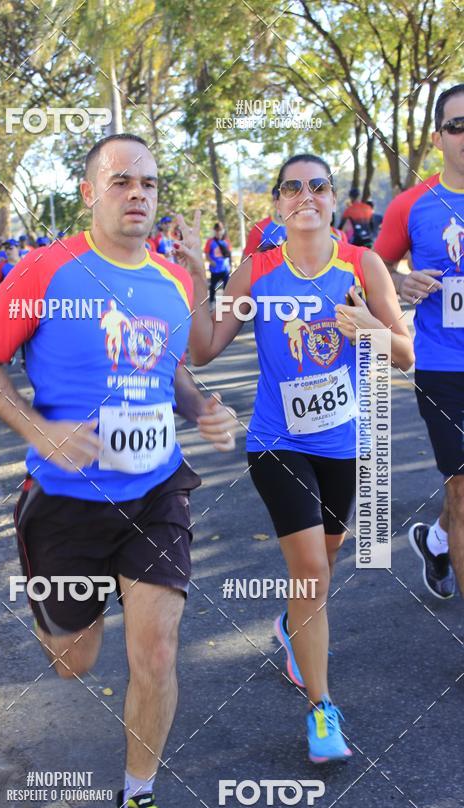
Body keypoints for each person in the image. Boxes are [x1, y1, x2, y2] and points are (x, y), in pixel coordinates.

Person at [0, 133, 237, 808]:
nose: (138, 194)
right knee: (73, 661)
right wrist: (38, 430)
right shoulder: (46, 270)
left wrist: (202, 409)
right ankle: (62, 617)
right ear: (89, 193)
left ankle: (138, 798)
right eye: (120, 181)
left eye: (149, 182)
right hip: (64, 503)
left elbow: (170, 375)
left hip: (156, 491)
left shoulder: (167, 281)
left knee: (156, 649)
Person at [178, 153, 413, 763]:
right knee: (310, 567)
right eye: (291, 188)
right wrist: (200, 277)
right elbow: (203, 349)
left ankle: (290, 626)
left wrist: (371, 329)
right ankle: (322, 710)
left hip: (343, 443)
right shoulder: (256, 271)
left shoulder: (363, 266)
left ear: (333, 199)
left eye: (317, 186)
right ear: (277, 205)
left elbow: (406, 355)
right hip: (277, 441)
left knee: (324, 561)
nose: (305, 195)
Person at [375, 83, 464, 600]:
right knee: (463, 486)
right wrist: (399, 281)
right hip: (444, 368)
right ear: (438, 138)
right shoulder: (413, 205)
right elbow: (374, 265)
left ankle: (436, 540)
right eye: (457, 126)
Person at [204, 222, 232, 307]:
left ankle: (226, 303)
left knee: (227, 287)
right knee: (213, 286)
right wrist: (211, 262)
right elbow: (206, 253)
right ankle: (212, 301)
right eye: (217, 230)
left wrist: (231, 264)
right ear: (214, 231)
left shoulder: (226, 241)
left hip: (225, 269)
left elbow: (229, 253)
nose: (219, 232)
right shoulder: (210, 241)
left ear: (223, 230)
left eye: (220, 230)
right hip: (215, 269)